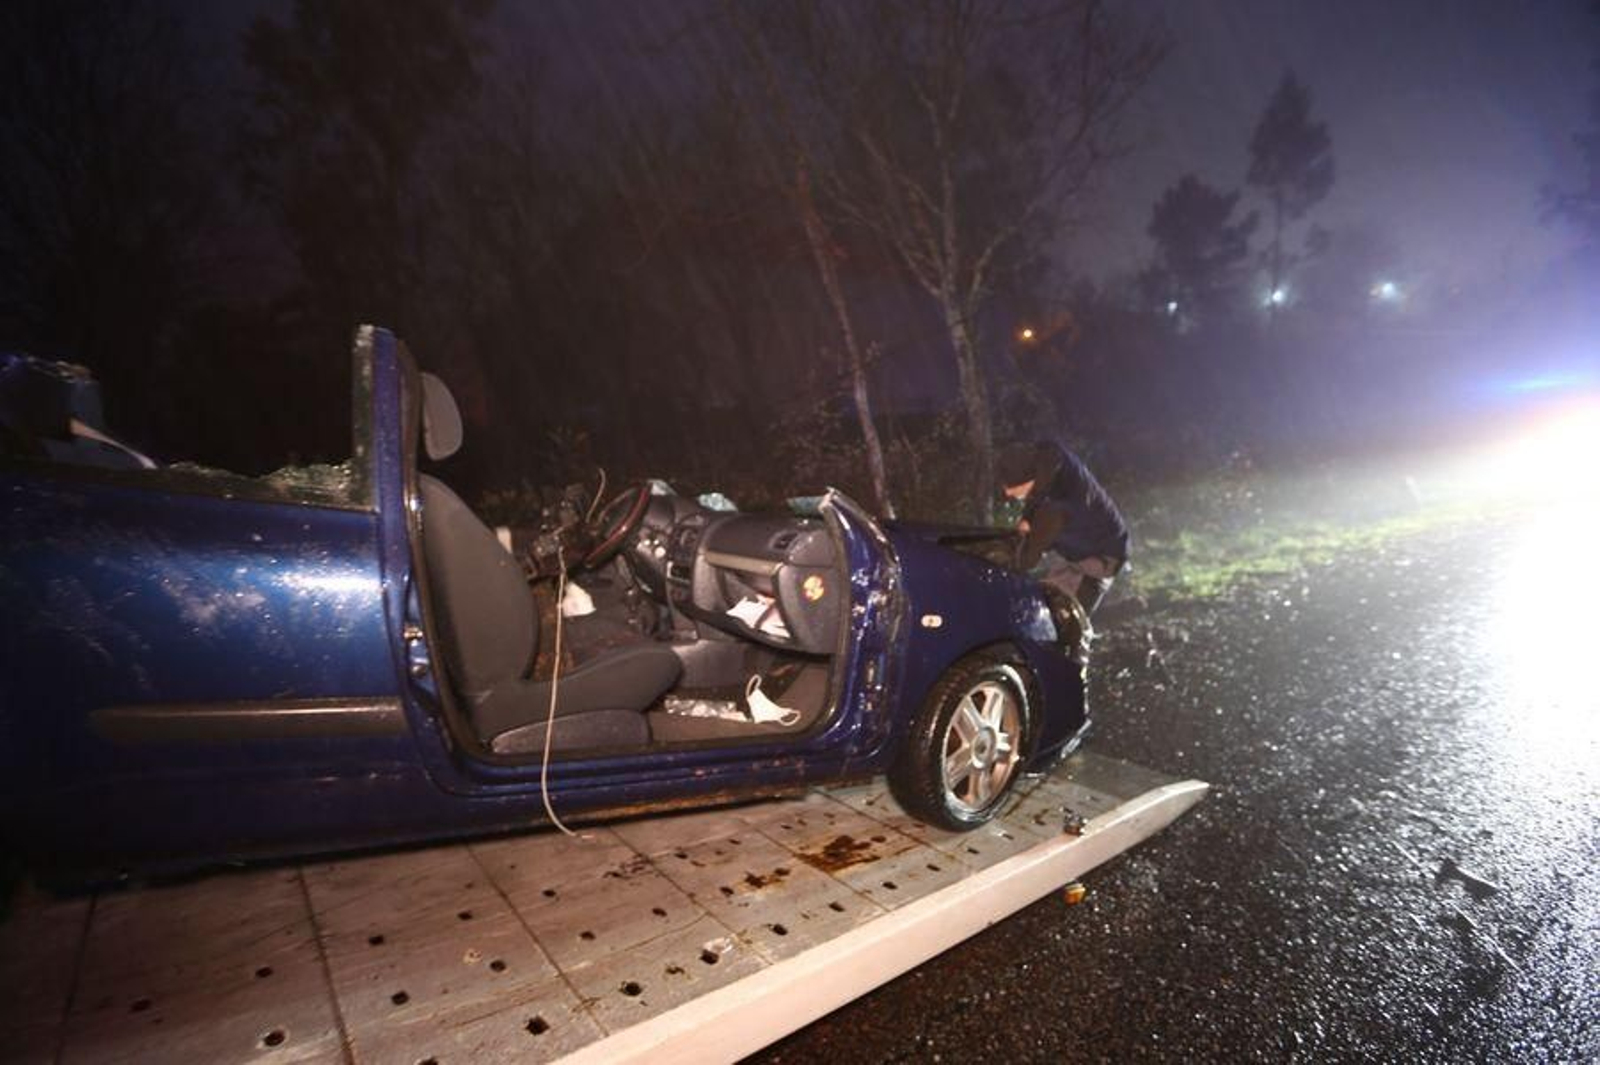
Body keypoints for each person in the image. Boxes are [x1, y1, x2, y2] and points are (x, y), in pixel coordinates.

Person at [995, 439, 1129, 614]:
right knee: (1043, 604)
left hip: (1100, 556)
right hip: (1080, 548)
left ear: (1029, 481)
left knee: (1061, 620)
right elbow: (1036, 500)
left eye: (1015, 491)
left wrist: (1001, 567)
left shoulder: (1055, 507)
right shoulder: (1046, 457)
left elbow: (1027, 560)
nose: (1011, 496)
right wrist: (1026, 520)